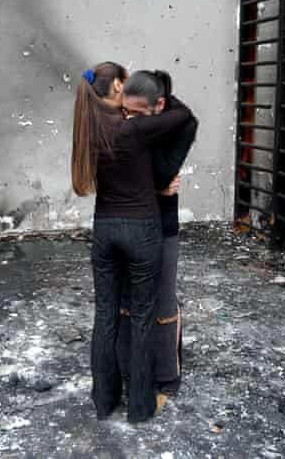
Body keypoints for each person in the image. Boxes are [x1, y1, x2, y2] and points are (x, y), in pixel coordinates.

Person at [71, 62, 195, 423]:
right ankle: (140, 407)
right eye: (124, 86)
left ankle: (104, 401)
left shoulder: (91, 130)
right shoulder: (135, 129)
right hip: (141, 231)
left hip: (105, 231)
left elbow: (130, 175)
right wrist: (152, 95)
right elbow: (183, 115)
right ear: (116, 91)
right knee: (142, 319)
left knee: (105, 316)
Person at [115, 71, 198, 398]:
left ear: (159, 105)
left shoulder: (181, 125)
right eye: (126, 113)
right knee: (125, 299)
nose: (130, 121)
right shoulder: (122, 118)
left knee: (161, 299)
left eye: (137, 114)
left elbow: (164, 172)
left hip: (160, 226)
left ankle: (166, 375)